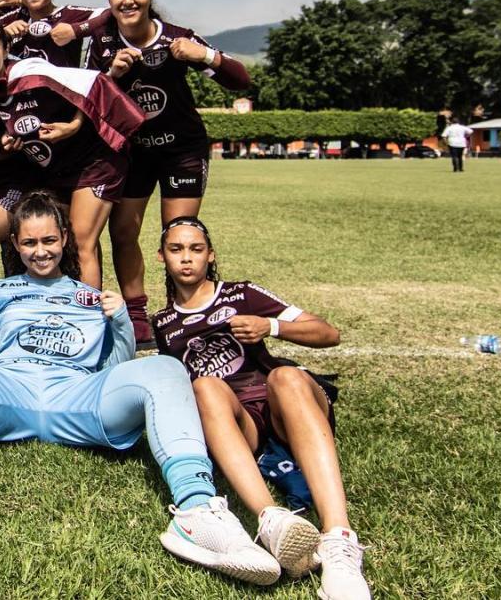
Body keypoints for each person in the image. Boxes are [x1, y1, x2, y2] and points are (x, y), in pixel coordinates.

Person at [0, 193, 282, 586]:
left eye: (50, 240)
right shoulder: (0, 290)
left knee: (164, 369)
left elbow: (118, 371)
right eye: (30, 242)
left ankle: (196, 511)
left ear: (65, 239)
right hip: (7, 393)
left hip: (77, 400)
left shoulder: (90, 297)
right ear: (15, 243)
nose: (40, 251)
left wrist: (120, 320)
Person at [153, 217, 370, 599]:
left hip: (286, 408)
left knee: (285, 377)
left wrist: (270, 327)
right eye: (176, 249)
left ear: (211, 255)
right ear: (161, 257)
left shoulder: (240, 294)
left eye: (196, 249)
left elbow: (328, 333)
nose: (186, 259)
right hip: (240, 425)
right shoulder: (164, 324)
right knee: (202, 386)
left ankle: (339, 543)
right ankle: (271, 520)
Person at [89, 0, 251, 344]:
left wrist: (205, 56)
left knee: (177, 235)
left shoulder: (177, 37)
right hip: (134, 152)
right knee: (123, 230)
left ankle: (186, 311)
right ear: (109, 0)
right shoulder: (103, 43)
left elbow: (240, 80)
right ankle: (137, 313)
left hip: (182, 150)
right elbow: (90, 102)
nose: (128, 0)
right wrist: (110, 75)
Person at [0, 19, 146, 290]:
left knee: (80, 244)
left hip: (93, 162)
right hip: (55, 171)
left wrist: (74, 125)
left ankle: (91, 323)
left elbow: (92, 84)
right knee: (61, 246)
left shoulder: (31, 71)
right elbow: (14, 127)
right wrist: (10, 139)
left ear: (6, 48)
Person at [4, 0, 106, 68]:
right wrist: (2, 34)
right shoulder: (14, 18)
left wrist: (75, 30)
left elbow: (111, 14)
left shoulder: (68, 14)